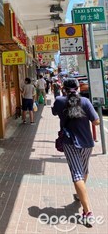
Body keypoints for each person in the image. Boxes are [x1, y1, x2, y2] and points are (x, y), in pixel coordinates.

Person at [51, 78, 100, 227]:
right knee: (84, 170)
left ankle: (88, 212)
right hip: (87, 142)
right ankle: (81, 195)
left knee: (77, 174)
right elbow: (96, 121)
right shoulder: (85, 101)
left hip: (70, 142)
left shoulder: (59, 100)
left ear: (63, 88)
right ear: (78, 88)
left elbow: (54, 112)